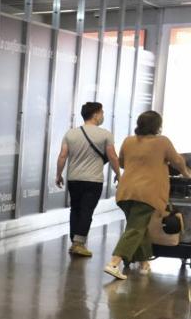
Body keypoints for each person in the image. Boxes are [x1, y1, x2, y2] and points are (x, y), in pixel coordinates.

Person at [105, 110, 191, 281]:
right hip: (146, 193)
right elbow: (178, 161)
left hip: (125, 191)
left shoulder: (129, 141)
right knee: (135, 229)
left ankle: (144, 263)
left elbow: (122, 162)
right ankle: (114, 263)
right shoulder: (162, 142)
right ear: (157, 126)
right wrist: (186, 174)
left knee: (140, 226)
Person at [55, 101, 121, 257]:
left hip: (74, 179)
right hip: (93, 180)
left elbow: (63, 155)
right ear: (96, 114)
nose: (103, 115)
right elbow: (112, 156)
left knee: (76, 209)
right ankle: (79, 243)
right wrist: (118, 174)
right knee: (87, 210)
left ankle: (75, 241)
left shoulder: (70, 133)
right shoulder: (105, 134)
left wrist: (58, 174)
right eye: (102, 112)